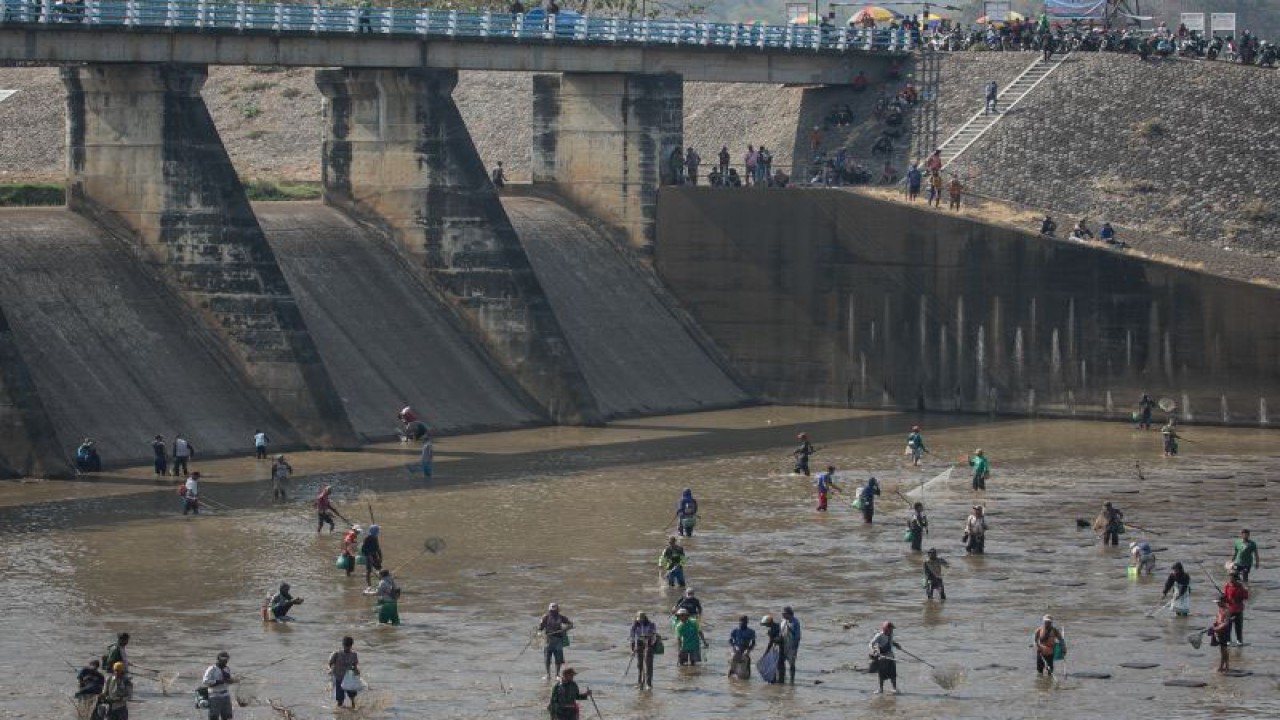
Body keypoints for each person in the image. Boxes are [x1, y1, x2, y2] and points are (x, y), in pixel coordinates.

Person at [539, 603, 574, 679]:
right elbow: (540, 628)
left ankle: (557, 674)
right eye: (552, 611)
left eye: (555, 611)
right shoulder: (545, 617)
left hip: (558, 640)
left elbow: (571, 624)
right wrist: (539, 632)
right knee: (547, 658)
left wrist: (567, 628)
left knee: (558, 658)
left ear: (558, 610)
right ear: (549, 610)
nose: (553, 612)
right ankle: (548, 674)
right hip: (547, 640)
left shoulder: (561, 617)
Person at [201, 651, 236, 720]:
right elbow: (205, 681)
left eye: (226, 660)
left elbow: (228, 681)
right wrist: (219, 681)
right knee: (214, 717)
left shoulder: (227, 669)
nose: (225, 662)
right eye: (223, 660)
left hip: (226, 695)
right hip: (214, 696)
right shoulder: (212, 669)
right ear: (218, 659)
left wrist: (233, 681)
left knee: (228, 716)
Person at [327, 636, 360, 709]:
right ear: (343, 645)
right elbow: (329, 663)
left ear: (351, 646)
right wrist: (330, 669)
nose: (347, 648)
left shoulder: (354, 655)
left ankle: (353, 709)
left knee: (352, 697)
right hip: (338, 678)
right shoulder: (337, 654)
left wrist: (356, 671)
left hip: (348, 679)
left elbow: (354, 666)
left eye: (349, 646)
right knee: (340, 700)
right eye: (345, 646)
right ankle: (339, 713)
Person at [868, 621, 899, 694]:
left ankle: (894, 689)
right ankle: (880, 689)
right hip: (882, 657)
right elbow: (871, 644)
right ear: (886, 629)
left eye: (892, 629)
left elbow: (891, 641)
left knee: (893, 673)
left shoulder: (891, 634)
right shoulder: (879, 636)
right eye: (890, 629)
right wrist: (874, 651)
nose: (892, 630)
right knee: (881, 673)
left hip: (890, 656)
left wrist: (896, 644)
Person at [629, 611, 658, 689]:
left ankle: (649, 684)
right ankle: (640, 683)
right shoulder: (634, 625)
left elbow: (654, 635)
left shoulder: (651, 624)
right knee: (640, 664)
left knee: (648, 664)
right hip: (639, 643)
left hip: (649, 643)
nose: (640, 620)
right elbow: (632, 637)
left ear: (645, 618)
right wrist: (632, 648)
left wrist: (650, 645)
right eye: (638, 619)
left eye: (641, 619)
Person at [1223, 572, 1249, 646]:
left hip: (1238, 610)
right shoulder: (1227, 586)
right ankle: (1228, 640)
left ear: (1236, 578)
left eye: (1232, 578)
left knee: (1238, 626)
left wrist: (1245, 590)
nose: (1230, 579)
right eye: (1229, 577)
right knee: (1228, 626)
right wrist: (1223, 598)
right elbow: (1225, 597)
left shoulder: (1240, 587)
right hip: (1229, 609)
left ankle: (1239, 640)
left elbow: (1246, 597)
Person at [728, 615, 756, 679]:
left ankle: (747, 677)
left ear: (747, 623)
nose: (742, 624)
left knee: (744, 675)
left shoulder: (751, 631)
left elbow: (753, 643)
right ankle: (731, 674)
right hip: (736, 650)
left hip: (745, 650)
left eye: (744, 623)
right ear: (739, 622)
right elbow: (730, 640)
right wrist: (734, 646)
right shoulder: (735, 631)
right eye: (741, 623)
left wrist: (748, 650)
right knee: (732, 666)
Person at [779, 607, 801, 684]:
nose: (782, 614)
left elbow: (797, 636)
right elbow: (780, 633)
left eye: (784, 613)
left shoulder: (795, 622)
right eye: (782, 613)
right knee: (781, 662)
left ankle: (792, 680)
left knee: (792, 663)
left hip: (792, 646)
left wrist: (794, 648)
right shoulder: (783, 621)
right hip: (783, 646)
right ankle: (783, 678)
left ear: (789, 614)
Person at [760, 615, 783, 684]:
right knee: (780, 665)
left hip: (777, 647)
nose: (765, 626)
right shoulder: (780, 625)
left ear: (769, 623)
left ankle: (774, 680)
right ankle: (781, 680)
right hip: (782, 646)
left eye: (766, 624)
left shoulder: (771, 630)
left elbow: (770, 643)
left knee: (774, 664)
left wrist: (766, 653)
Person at [1211, 597, 1232, 672]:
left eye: (1218, 602)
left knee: (1224, 649)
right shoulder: (1220, 609)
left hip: (1224, 631)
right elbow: (1217, 618)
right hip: (1219, 630)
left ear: (1223, 601)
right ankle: (1225, 666)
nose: (1217, 604)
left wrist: (1216, 629)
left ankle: (1223, 666)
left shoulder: (1227, 610)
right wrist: (1214, 626)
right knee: (1222, 649)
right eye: (1216, 602)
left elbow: (1225, 623)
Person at [361, 524, 384, 589]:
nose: (378, 532)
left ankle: (382, 583)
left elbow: (378, 548)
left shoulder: (375, 537)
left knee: (379, 569)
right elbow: (363, 549)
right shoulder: (367, 538)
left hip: (374, 555)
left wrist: (380, 557)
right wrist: (369, 556)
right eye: (377, 531)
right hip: (368, 555)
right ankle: (369, 586)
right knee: (369, 570)